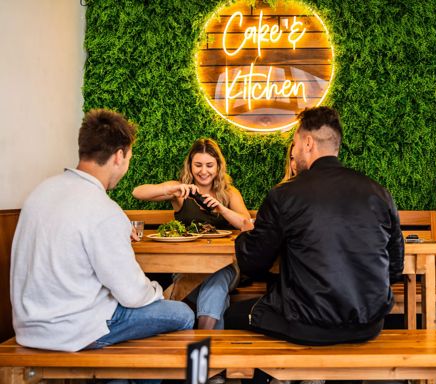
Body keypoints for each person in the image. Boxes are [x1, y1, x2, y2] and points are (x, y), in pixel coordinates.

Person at [10, 109, 194, 355]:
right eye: (129, 158)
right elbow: (133, 295)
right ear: (119, 155)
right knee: (181, 314)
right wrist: (157, 291)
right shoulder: (104, 209)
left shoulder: (41, 192)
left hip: (28, 327)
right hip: (75, 330)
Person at [225, 106, 405, 347]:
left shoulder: (285, 195)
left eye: (296, 143)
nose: (295, 150)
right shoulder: (379, 193)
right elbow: (394, 268)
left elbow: (254, 264)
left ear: (308, 143)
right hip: (369, 324)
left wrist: (247, 235)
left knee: (229, 314)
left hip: (308, 325)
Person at [133, 138, 252, 330]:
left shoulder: (229, 193)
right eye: (198, 165)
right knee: (216, 291)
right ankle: (209, 339)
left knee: (219, 274)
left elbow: (247, 226)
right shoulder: (181, 190)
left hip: (225, 266)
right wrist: (171, 188)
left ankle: (201, 337)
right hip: (187, 267)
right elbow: (138, 192)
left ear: (218, 167)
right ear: (190, 165)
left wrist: (222, 209)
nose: (203, 171)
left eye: (209, 165)